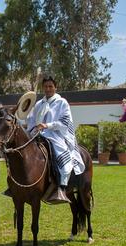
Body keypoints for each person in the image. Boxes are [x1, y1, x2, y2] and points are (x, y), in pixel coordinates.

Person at [26, 75, 85, 203]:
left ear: (55, 87)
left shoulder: (62, 102)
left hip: (56, 135)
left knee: (59, 154)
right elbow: (31, 120)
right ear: (43, 88)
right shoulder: (38, 104)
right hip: (38, 134)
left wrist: (47, 125)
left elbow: (64, 122)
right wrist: (30, 130)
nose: (48, 89)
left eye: (50, 86)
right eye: (46, 86)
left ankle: (61, 187)